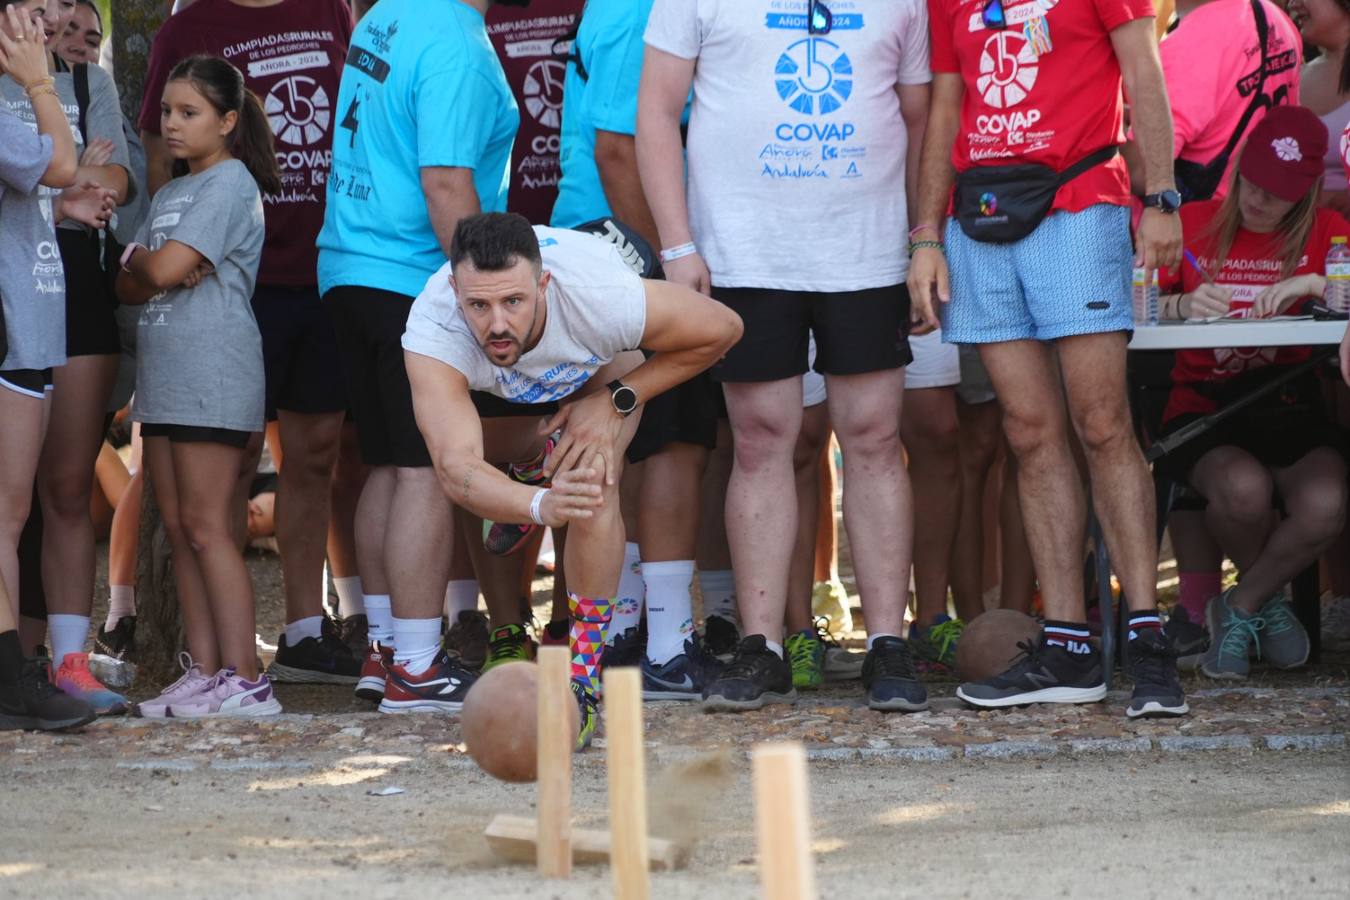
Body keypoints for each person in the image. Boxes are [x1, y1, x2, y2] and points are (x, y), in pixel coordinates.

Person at [639, 0, 935, 713]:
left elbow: (922, 115)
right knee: (762, 438)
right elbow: (654, 111)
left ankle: (887, 644)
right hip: (745, 252)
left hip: (865, 251)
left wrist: (924, 236)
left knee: (874, 435)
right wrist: (678, 246)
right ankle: (762, 644)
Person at [911, 0, 1189, 718]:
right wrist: (926, 237)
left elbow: (1143, 69)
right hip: (980, 216)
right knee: (1029, 432)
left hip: (1078, 201)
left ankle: (1148, 638)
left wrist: (1161, 194)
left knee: (1101, 423)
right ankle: (1067, 645)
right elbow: (947, 106)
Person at [403, 211, 742, 745]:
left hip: (603, 358)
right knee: (433, 454)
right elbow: (455, 467)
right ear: (454, 291)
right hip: (517, 409)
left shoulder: (598, 293)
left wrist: (618, 400)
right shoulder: (434, 322)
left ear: (543, 284)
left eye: (513, 302)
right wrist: (539, 507)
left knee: (593, 480)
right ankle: (533, 467)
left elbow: (724, 328)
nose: (496, 324)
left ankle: (581, 680)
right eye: (478, 304)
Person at [139, 0, 362, 687]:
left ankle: (301, 631)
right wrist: (174, 240)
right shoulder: (186, 25)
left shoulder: (331, 9)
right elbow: (156, 155)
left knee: (316, 452)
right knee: (224, 469)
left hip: (323, 267)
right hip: (232, 285)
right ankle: (217, 662)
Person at [317, 0, 526, 706]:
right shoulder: (455, 42)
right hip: (410, 277)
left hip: (349, 266)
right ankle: (413, 660)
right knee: (423, 473)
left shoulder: (390, 15)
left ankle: (386, 648)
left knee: (390, 465)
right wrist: (487, 294)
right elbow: (445, 182)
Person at [115, 55, 282, 719]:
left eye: (190, 113)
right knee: (180, 528)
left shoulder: (230, 183)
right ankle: (207, 671)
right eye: (167, 113)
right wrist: (147, 264)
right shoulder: (167, 196)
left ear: (229, 120)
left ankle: (247, 677)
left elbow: (161, 269)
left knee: (212, 528)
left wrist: (153, 266)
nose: (173, 126)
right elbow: (135, 281)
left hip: (216, 372)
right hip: (166, 380)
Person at [1154, 106, 1347, 678]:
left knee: (1327, 502)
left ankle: (1241, 603)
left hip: (1288, 404)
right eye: (1252, 184)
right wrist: (1182, 306)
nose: (1260, 202)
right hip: (1204, 407)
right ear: (1237, 169)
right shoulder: (1191, 221)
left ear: (1307, 193)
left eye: (1279, 194)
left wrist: (1315, 282)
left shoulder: (1327, 234)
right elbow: (1128, 302)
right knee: (1243, 490)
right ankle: (1270, 605)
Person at [2, 0, 129, 715]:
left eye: (63, 9)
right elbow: (59, 166)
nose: (50, 20)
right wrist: (63, 177)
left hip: (63, 291)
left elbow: (111, 181)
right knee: (10, 508)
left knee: (58, 491)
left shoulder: (89, 84)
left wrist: (67, 197)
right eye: (38, 5)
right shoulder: (24, 88)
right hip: (17, 300)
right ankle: (17, 669)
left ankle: (62, 663)